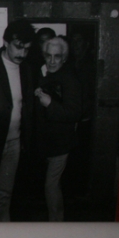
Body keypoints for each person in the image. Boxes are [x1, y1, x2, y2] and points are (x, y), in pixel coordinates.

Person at [0, 20, 35, 222]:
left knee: (4, 197)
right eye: (18, 47)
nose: (22, 53)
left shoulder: (26, 70)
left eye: (27, 49)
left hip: (14, 142)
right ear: (5, 42)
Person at [33, 37, 81, 221]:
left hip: (61, 143)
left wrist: (49, 103)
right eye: (49, 56)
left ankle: (56, 224)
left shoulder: (70, 79)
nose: (52, 61)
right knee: (52, 185)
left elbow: (73, 113)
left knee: (51, 185)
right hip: (47, 142)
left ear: (64, 58)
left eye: (57, 56)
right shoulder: (46, 74)